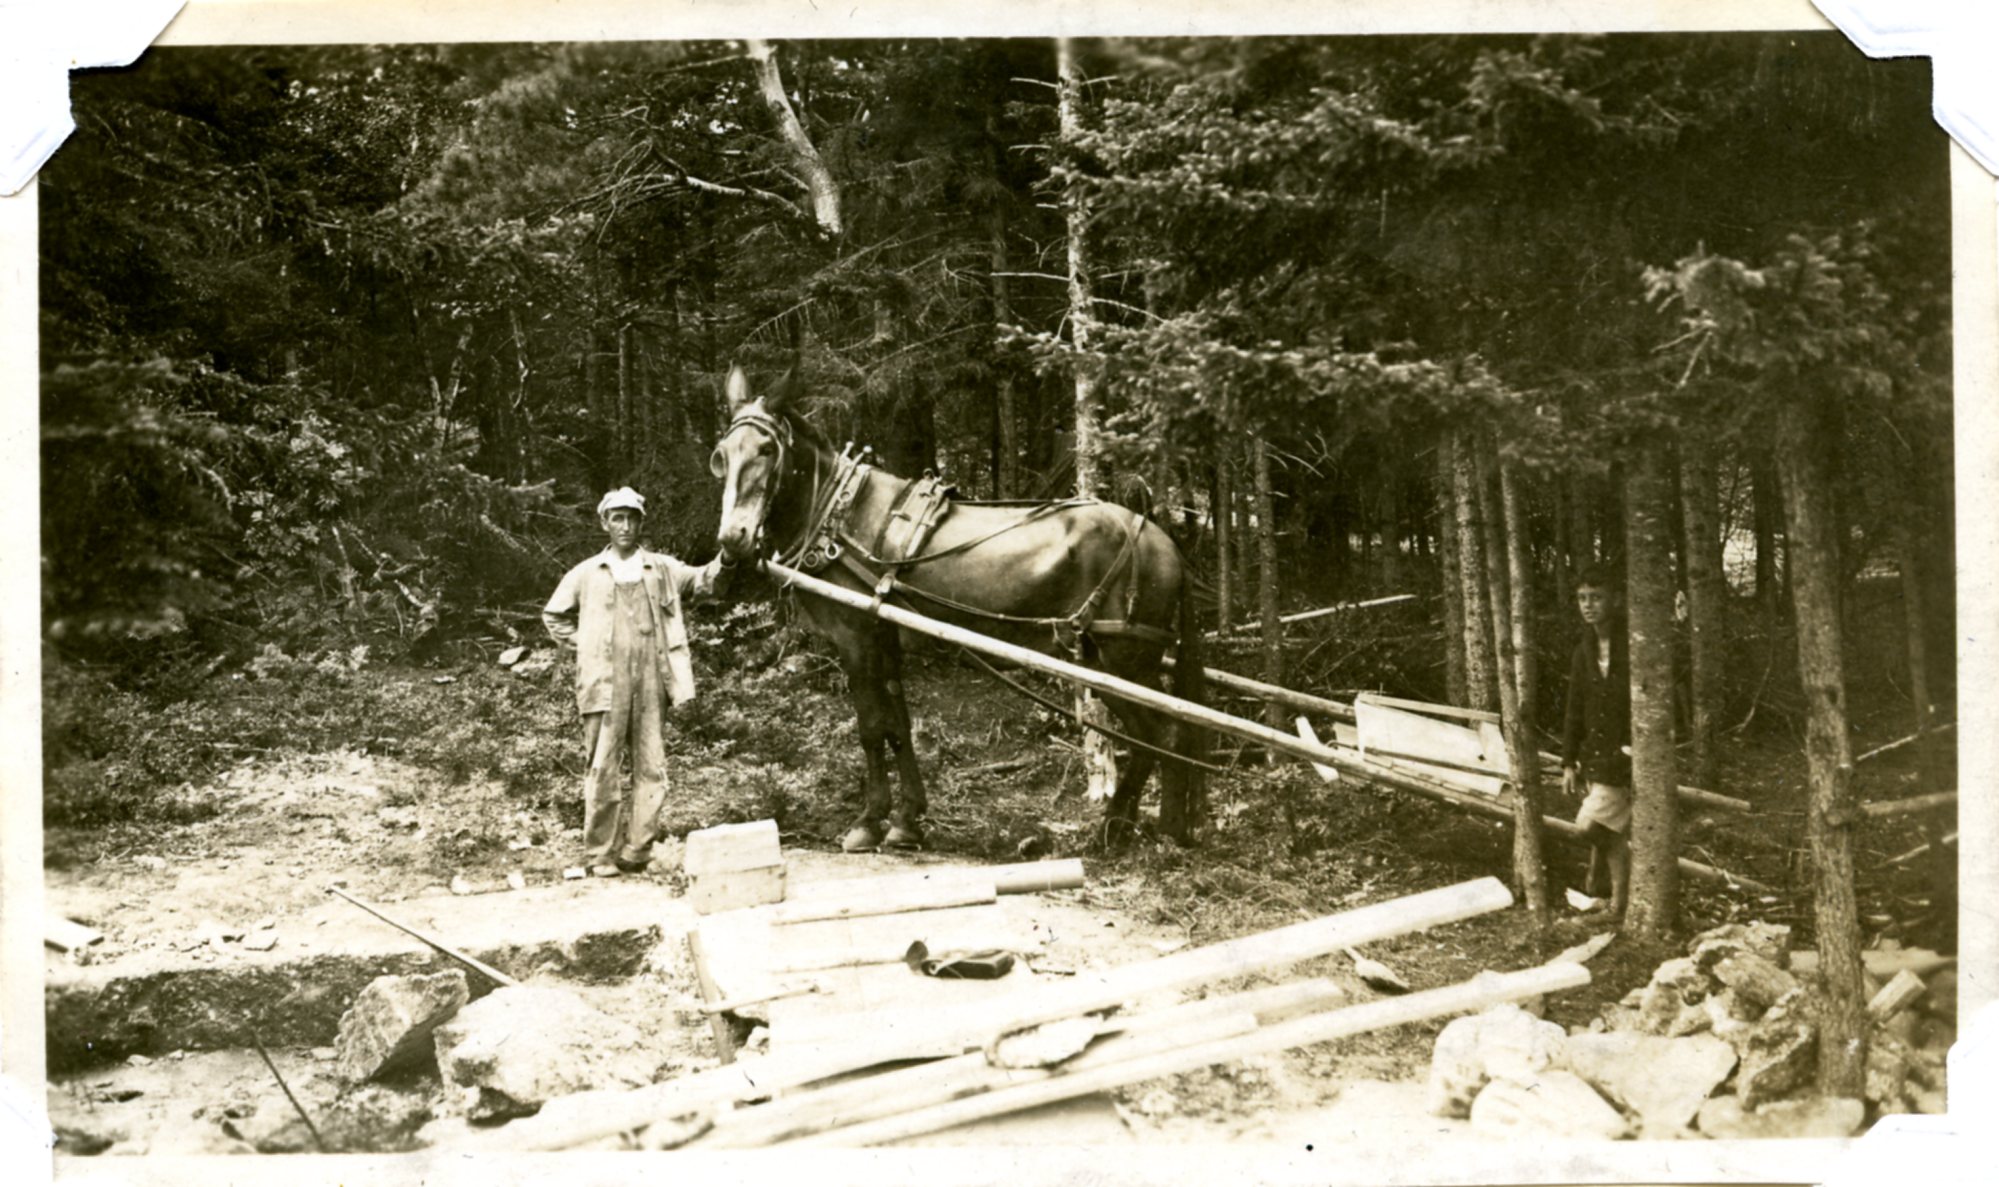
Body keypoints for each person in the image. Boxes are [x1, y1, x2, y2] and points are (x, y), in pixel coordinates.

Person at [543, 487, 735, 876]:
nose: (625, 526)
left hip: (651, 680)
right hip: (604, 683)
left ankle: (638, 848)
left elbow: (704, 582)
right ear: (605, 523)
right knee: (602, 766)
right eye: (617, 518)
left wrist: (728, 558)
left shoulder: (661, 568)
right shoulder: (586, 573)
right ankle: (600, 854)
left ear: (641, 522)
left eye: (631, 518)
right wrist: (588, 645)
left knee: (651, 764)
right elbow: (554, 615)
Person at [1560, 564, 1632, 918]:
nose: (1588, 605)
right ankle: (1616, 901)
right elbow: (1575, 709)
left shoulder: (1633, 646)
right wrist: (1568, 761)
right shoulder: (1583, 651)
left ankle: (1611, 895)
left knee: (1587, 826)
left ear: (1615, 600)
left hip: (1624, 756)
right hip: (1594, 757)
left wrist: (1636, 746)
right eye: (1582, 598)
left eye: (1597, 598)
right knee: (1613, 832)